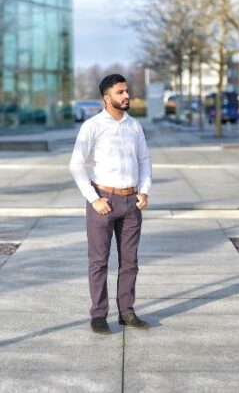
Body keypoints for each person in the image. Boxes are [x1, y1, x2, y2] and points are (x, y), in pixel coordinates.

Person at [69, 74, 152, 334]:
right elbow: (75, 165)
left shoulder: (134, 126)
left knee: (130, 262)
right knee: (99, 261)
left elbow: (144, 161)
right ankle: (99, 315)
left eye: (127, 91)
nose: (126, 96)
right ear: (107, 98)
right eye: (120, 92)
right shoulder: (92, 126)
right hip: (103, 201)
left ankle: (126, 312)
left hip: (131, 203)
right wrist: (94, 200)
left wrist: (144, 191)